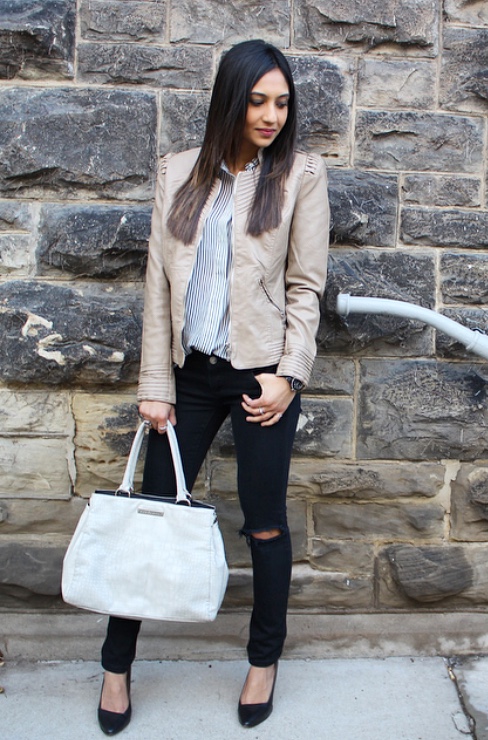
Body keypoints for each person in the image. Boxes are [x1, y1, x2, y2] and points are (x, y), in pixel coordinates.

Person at [96, 39, 330, 735]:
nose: (271, 116)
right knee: (149, 518)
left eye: (281, 103)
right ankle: (115, 668)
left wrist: (289, 376)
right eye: (257, 101)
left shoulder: (300, 175)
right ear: (231, 100)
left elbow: (306, 286)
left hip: (263, 378)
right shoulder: (176, 173)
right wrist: (155, 384)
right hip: (189, 378)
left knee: (265, 525)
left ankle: (263, 662)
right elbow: (157, 288)